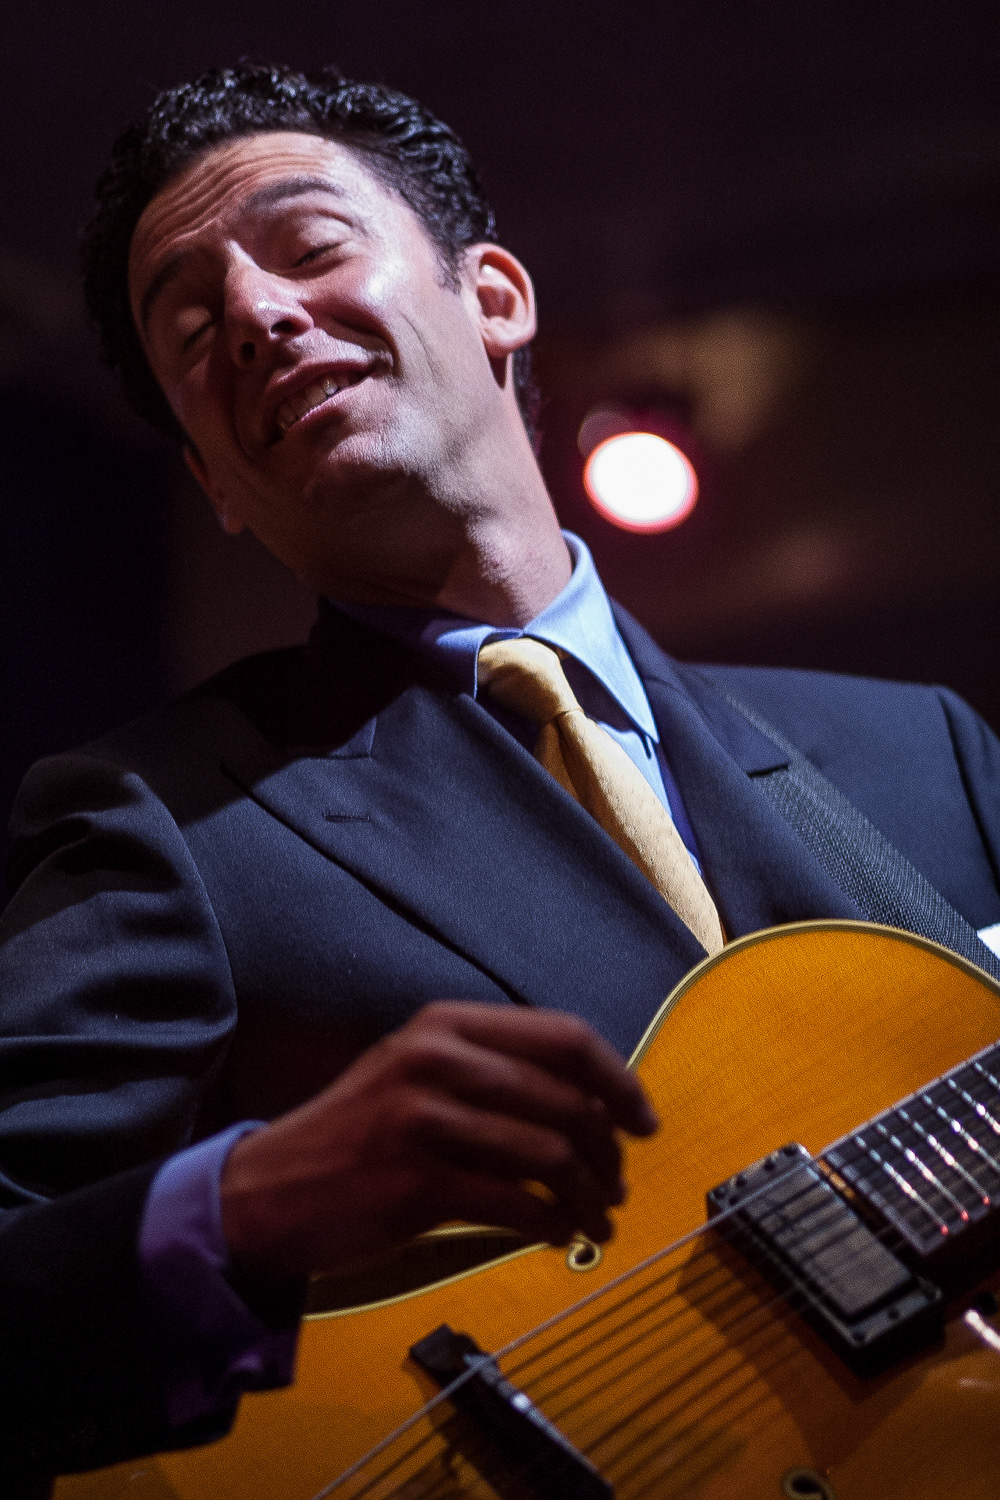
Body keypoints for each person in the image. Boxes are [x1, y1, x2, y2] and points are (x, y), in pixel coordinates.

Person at [3, 60, 1000, 1486]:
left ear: (493, 298)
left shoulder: (928, 757)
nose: (258, 314)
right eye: (193, 329)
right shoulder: (166, 817)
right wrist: (247, 1207)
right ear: (212, 480)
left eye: (308, 245)